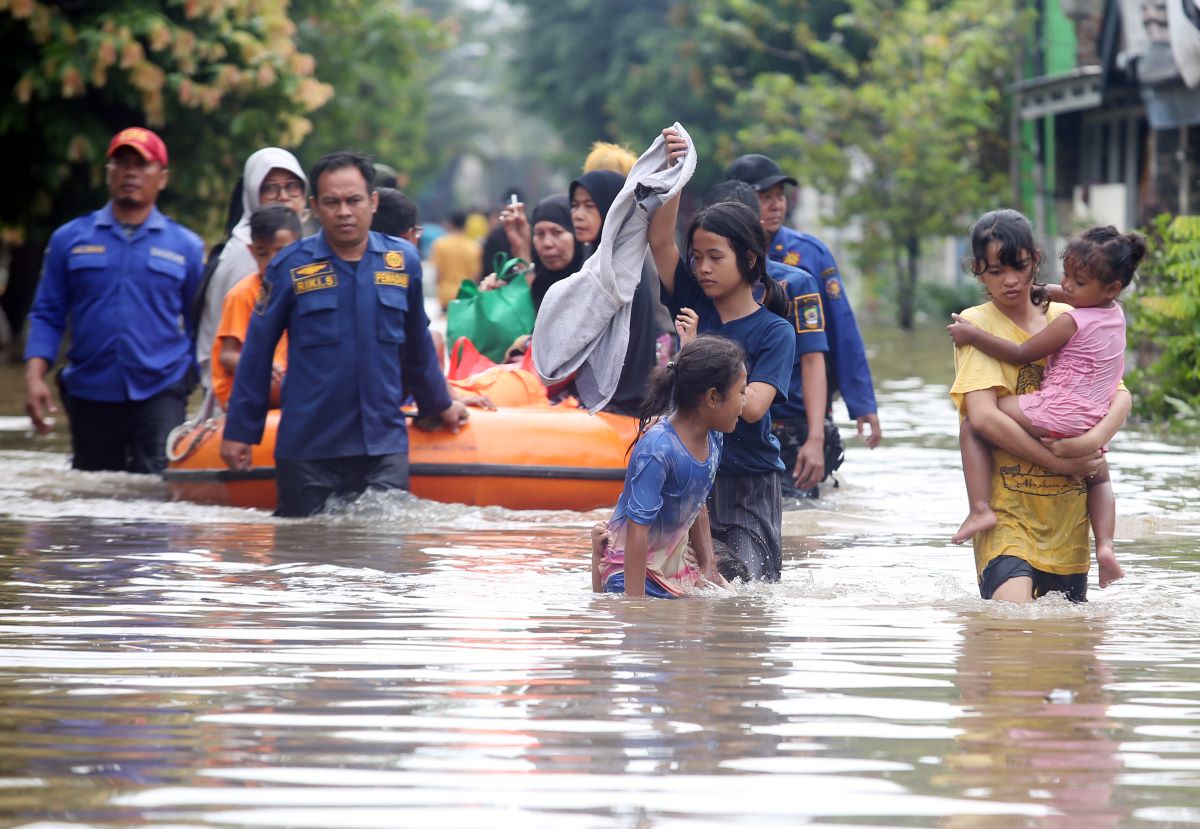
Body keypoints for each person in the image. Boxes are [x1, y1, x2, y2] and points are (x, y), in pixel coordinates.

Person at [220, 151, 468, 517]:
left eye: (354, 200)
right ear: (315, 206)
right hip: (308, 449)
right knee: (303, 550)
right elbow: (257, 352)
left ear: (373, 202)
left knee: (386, 547)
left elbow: (418, 347)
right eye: (332, 202)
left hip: (382, 445)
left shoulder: (402, 263)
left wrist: (440, 405)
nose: (344, 212)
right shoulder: (289, 266)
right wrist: (240, 431)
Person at [947, 209, 1130, 603]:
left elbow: (1119, 394)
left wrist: (1091, 440)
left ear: (1035, 259)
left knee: (1060, 639)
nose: (1010, 280)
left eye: (1019, 266)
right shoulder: (975, 326)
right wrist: (1061, 462)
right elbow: (983, 417)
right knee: (1014, 627)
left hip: (1068, 525)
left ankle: (1104, 546)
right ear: (977, 271)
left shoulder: (1073, 314)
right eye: (995, 271)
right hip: (1009, 520)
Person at [648, 128, 797, 583]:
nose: (703, 268)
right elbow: (660, 241)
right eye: (697, 257)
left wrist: (694, 353)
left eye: (715, 257)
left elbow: (750, 408)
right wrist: (676, 172)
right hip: (689, 473)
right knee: (676, 581)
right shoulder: (694, 300)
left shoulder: (775, 331)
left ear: (749, 260)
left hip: (747, 484)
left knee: (741, 588)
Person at [24, 127, 204, 473]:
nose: (130, 172)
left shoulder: (186, 246)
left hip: (161, 388)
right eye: (121, 163)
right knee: (93, 491)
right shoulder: (69, 239)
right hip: (90, 390)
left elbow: (201, 324)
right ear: (108, 172)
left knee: (158, 487)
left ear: (162, 178)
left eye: (142, 164)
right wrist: (34, 378)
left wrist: (191, 379)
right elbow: (48, 314)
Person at [725, 152, 882, 451]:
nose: (776, 205)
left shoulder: (809, 254)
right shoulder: (715, 257)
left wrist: (862, 402)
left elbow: (842, 328)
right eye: (765, 197)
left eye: (780, 196)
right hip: (735, 407)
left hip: (798, 407)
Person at [702, 180, 832, 499]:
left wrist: (816, 437)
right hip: (717, 434)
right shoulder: (701, 289)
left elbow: (814, 360)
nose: (706, 266)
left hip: (783, 426)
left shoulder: (794, 283)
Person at [591, 335, 743, 597]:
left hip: (673, 565)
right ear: (713, 397)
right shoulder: (659, 450)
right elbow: (638, 530)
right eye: (741, 392)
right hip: (629, 570)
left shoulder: (713, 436)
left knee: (735, 603)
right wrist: (635, 605)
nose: (744, 402)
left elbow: (696, 502)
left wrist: (708, 567)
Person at [195, 147, 308, 390]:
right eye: (270, 188)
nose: (283, 196)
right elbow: (229, 352)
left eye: (292, 186)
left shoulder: (306, 256)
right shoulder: (245, 256)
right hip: (244, 391)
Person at [566, 169, 658, 416]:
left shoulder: (615, 265)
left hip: (619, 403)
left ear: (613, 208)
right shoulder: (600, 255)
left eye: (589, 206)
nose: (578, 215)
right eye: (575, 205)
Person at [210, 204, 301, 411]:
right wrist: (263, 365)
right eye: (262, 253)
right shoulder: (243, 294)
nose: (272, 262)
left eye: (281, 252)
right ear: (251, 251)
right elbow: (227, 355)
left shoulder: (305, 288)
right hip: (248, 389)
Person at [490, 194, 584, 312]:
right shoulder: (539, 286)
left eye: (557, 232)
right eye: (540, 233)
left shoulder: (594, 286)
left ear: (576, 234)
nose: (547, 243)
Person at [429, 210, 483, 309]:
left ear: (450, 224)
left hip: (445, 295)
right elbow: (476, 275)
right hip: (466, 295)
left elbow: (437, 272)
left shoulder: (440, 245)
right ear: (466, 225)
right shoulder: (474, 247)